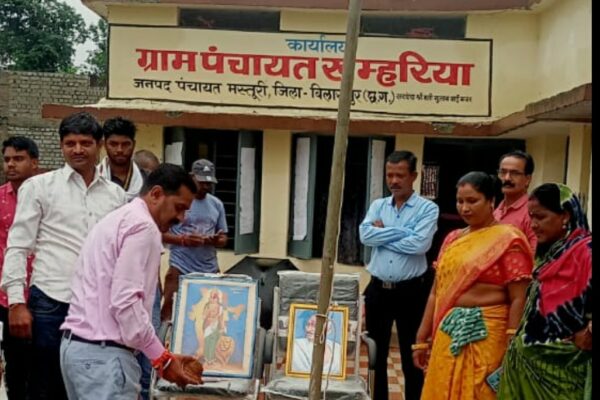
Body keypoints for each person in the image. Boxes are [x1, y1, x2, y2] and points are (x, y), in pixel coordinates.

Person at [1, 112, 127, 400]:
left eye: (85, 143)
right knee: (45, 385)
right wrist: (16, 302)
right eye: (70, 143)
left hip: (98, 305)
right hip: (50, 300)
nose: (78, 149)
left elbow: (119, 253)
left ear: (99, 145)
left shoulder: (115, 196)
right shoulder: (40, 187)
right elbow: (18, 246)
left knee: (88, 384)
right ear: (61, 146)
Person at [60, 164, 204, 399]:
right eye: (179, 208)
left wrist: (162, 356)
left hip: (78, 352)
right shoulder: (144, 227)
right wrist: (162, 358)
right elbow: (125, 301)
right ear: (156, 194)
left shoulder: (118, 218)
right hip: (105, 357)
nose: (181, 218)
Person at [413, 172, 533, 400]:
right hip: (448, 331)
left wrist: (511, 340)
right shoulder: (453, 239)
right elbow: (436, 292)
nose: (464, 208)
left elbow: (519, 297)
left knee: (480, 392)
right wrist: (421, 337)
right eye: (460, 201)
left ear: (491, 201)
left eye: (472, 201)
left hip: (488, 334)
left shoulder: (508, 240)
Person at [498, 183, 592, 399]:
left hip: (562, 373)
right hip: (526, 365)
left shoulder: (585, 252)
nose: (533, 225)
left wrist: (589, 333)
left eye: (540, 217)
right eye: (531, 217)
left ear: (565, 216)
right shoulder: (548, 255)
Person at [359, 150, 439, 400]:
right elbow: (365, 235)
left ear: (413, 176)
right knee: (376, 355)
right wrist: (405, 231)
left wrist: (382, 235)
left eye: (400, 175)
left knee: (411, 356)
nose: (393, 181)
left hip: (412, 292)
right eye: (389, 175)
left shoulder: (428, 208)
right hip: (378, 290)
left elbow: (420, 245)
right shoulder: (378, 205)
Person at [161, 159, 228, 322]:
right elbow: (161, 233)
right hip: (180, 267)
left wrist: (215, 240)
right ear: (191, 178)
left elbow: (224, 238)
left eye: (208, 183)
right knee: (169, 312)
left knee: (209, 315)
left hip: (209, 268)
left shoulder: (216, 204)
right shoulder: (179, 201)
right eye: (201, 182)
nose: (205, 186)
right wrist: (184, 240)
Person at [0, 136, 39, 399]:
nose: (11, 165)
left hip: (43, 293)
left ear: (34, 162)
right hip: (6, 297)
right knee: (13, 366)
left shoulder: (46, 196)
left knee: (41, 365)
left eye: (18, 159)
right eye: (7, 159)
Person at [188, 288, 244, 366]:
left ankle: (212, 359)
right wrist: (207, 315)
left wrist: (222, 327)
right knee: (207, 341)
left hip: (216, 325)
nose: (213, 299)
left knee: (214, 343)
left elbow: (221, 318)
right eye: (212, 297)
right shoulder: (207, 305)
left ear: (218, 298)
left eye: (215, 297)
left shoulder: (220, 307)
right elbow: (204, 315)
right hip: (208, 324)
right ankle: (207, 359)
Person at [494, 150, 537, 251]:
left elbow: (534, 254)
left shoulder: (532, 212)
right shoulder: (496, 210)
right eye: (503, 172)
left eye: (515, 173)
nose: (507, 178)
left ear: (528, 179)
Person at [98, 116, 145, 201]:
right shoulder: (94, 178)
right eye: (113, 144)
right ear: (104, 144)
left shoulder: (145, 179)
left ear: (134, 145)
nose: (120, 150)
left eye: (125, 144)